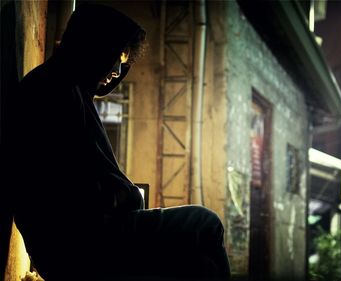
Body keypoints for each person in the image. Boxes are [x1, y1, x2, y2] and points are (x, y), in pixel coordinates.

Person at [3, 4, 230, 280]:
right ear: (94, 48)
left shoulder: (63, 88)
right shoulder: (57, 92)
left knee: (198, 265)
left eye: (124, 62)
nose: (118, 70)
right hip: (81, 244)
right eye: (115, 57)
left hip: (72, 245)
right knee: (206, 222)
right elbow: (74, 187)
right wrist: (129, 195)